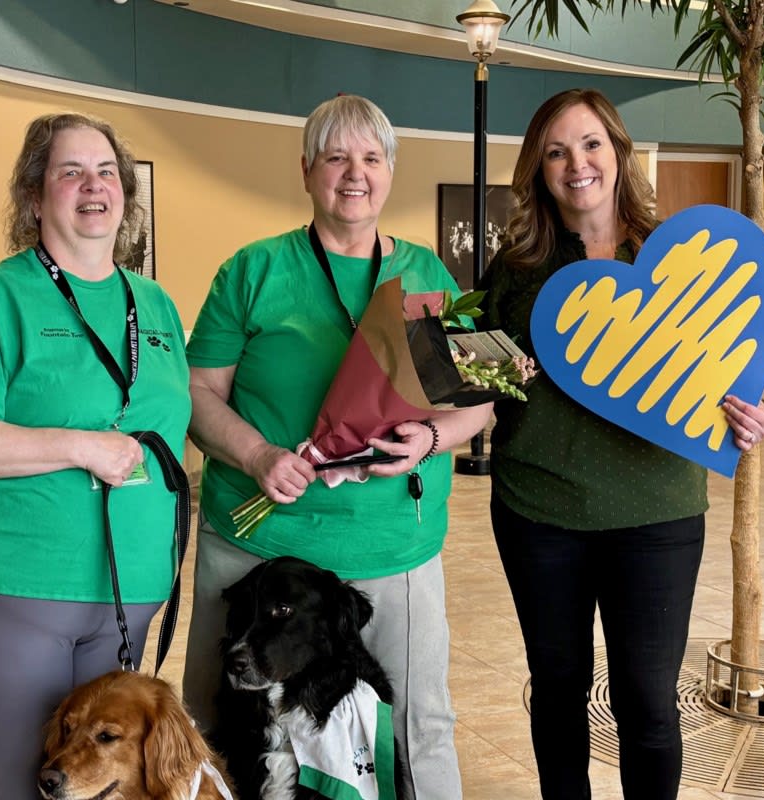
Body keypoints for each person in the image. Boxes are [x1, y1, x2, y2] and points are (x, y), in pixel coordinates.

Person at [182, 94, 492, 800]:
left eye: (371, 159)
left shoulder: (426, 279)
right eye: (336, 158)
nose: (355, 174)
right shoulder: (253, 271)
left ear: (390, 172)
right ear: (306, 171)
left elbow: (474, 405)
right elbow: (198, 395)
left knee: (418, 727)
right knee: (222, 723)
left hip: (391, 554)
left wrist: (431, 438)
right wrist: (258, 456)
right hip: (256, 551)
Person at [478, 88, 764, 800]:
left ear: (618, 152)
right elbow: (475, 385)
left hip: (658, 516)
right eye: (555, 151)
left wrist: (751, 416)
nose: (576, 163)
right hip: (539, 513)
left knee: (647, 700)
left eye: (590, 145)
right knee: (557, 691)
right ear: (538, 169)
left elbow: (729, 370)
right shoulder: (514, 270)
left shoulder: (679, 258)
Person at [0, 112, 190, 799]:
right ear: (35, 197)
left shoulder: (153, 304)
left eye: (106, 172)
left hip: (129, 594)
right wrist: (79, 445)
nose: (94, 186)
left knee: (103, 787)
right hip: (14, 589)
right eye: (71, 172)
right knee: (19, 787)